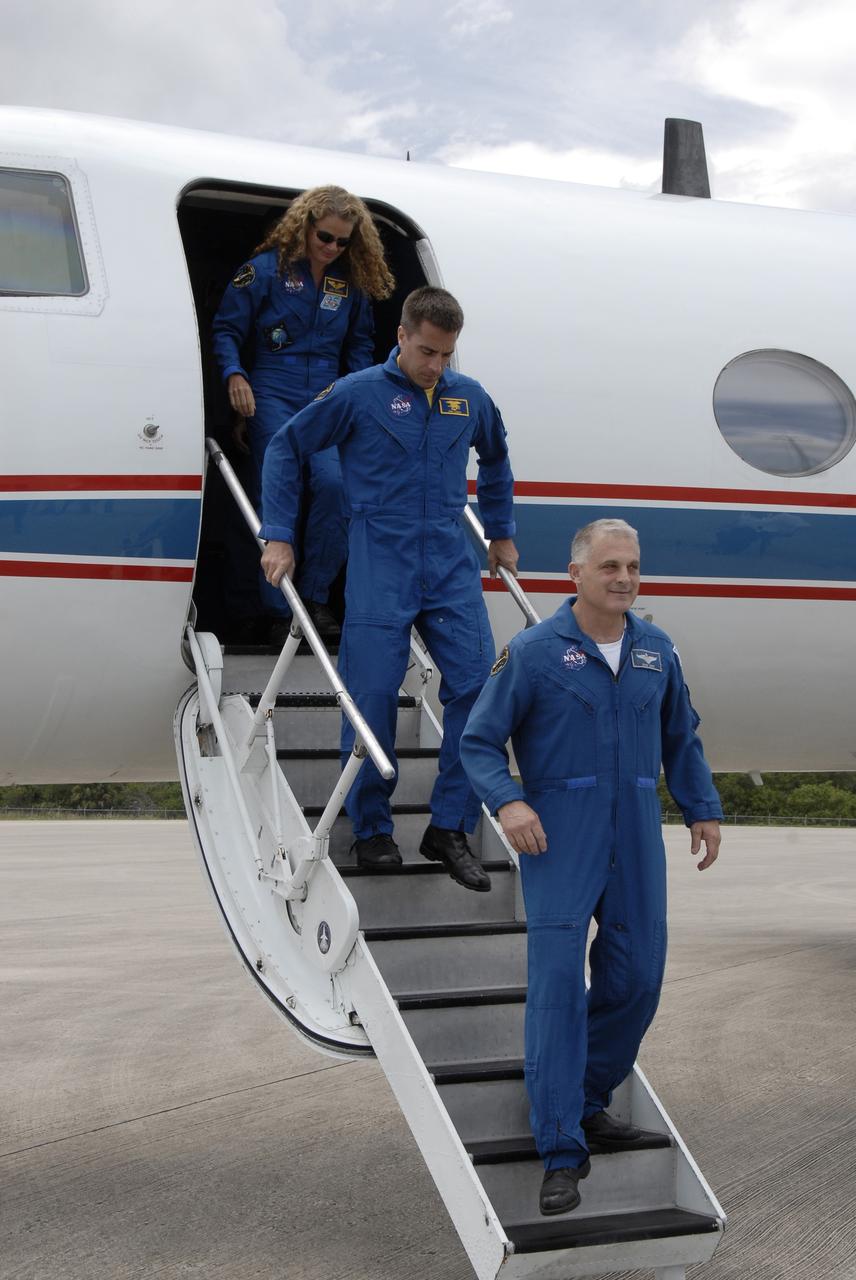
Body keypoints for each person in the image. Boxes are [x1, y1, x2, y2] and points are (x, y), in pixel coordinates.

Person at [460, 518, 722, 1215]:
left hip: (635, 827)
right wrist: (508, 804)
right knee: (555, 989)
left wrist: (702, 806)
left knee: (638, 979)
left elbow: (681, 736)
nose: (625, 579)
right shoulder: (535, 651)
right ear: (576, 574)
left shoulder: (655, 651)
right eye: (610, 567)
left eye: (633, 566)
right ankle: (560, 1151)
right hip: (560, 833)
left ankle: (583, 1096)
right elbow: (479, 742)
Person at [260, 287, 519, 889]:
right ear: (400, 335)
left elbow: (498, 459)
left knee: (480, 688)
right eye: (426, 350)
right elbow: (285, 447)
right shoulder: (357, 395)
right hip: (381, 556)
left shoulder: (469, 397)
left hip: (450, 561)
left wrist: (501, 532)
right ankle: (372, 829)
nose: (435, 366)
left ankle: (448, 825)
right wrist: (278, 535)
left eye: (445, 355)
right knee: (372, 696)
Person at [212, 185, 395, 638]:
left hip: (327, 398)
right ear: (305, 227)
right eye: (325, 237)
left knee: (335, 486)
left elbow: (359, 346)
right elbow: (226, 330)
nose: (332, 248)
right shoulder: (265, 272)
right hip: (273, 391)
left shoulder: (349, 286)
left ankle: (313, 598)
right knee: (278, 491)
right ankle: (277, 610)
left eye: (342, 241)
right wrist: (235, 374)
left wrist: (362, 397)